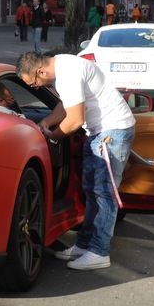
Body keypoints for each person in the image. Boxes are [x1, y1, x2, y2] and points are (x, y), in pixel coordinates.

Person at [15, 52, 136, 270]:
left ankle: (99, 252)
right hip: (100, 133)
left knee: (103, 193)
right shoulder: (62, 65)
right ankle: (85, 244)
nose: (35, 87)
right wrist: (47, 121)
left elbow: (75, 120)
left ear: (40, 71)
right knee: (91, 190)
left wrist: (51, 137)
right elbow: (67, 105)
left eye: (33, 83)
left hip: (112, 133)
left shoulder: (68, 74)